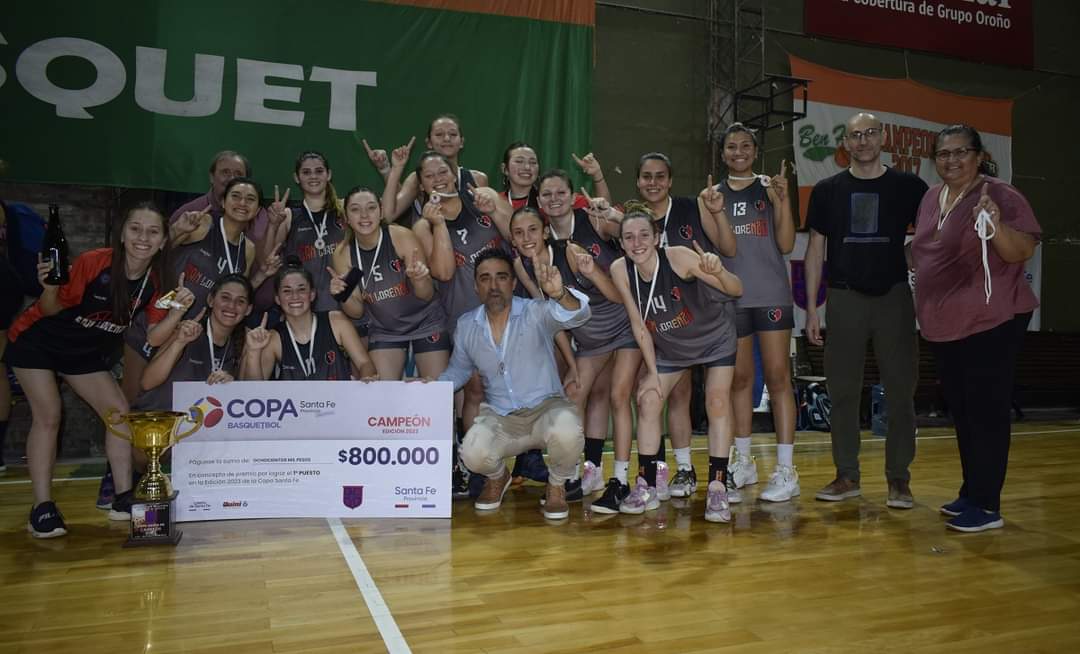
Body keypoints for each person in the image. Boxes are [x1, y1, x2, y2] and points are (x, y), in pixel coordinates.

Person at [4, 203, 188, 537]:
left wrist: (178, 312)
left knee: (118, 413)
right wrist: (49, 287)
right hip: (37, 342)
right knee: (49, 414)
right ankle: (41, 508)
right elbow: (50, 308)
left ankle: (122, 498)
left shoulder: (157, 280)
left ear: (163, 241)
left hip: (83, 353)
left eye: (152, 232)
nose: (143, 238)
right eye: (135, 228)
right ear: (122, 234)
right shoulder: (95, 262)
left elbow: (154, 337)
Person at [911, 124, 1040, 532]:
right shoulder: (931, 197)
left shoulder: (1000, 194)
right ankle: (971, 491)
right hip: (946, 324)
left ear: (979, 156)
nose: (951, 160)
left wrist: (997, 226)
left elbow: (1021, 250)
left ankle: (986, 506)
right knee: (964, 411)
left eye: (960, 152)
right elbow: (926, 250)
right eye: (943, 154)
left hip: (991, 320)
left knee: (986, 412)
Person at [804, 111, 928, 509]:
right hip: (844, 298)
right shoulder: (827, 190)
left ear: (882, 138)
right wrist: (812, 309)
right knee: (842, 391)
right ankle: (847, 475)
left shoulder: (910, 187)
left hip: (894, 298)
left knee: (901, 392)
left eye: (870, 133)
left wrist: (907, 254)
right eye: (855, 135)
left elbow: (932, 235)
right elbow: (815, 250)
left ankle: (899, 479)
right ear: (846, 144)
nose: (863, 141)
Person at [610, 155, 737, 500]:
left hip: (713, 338)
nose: (636, 242)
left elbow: (735, 289)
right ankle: (646, 486)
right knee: (648, 398)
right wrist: (652, 373)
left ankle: (718, 485)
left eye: (643, 235)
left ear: (656, 237)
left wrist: (718, 270)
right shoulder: (620, 269)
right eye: (628, 237)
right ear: (621, 242)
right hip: (673, 346)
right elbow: (638, 326)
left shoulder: (679, 255)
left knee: (717, 401)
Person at [437, 249, 591, 520]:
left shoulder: (535, 311)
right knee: (471, 452)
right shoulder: (466, 325)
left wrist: (559, 295)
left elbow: (579, 315)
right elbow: (458, 370)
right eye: (485, 278)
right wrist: (431, 388)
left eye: (501, 277)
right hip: (501, 418)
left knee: (569, 430)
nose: (493, 285)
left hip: (545, 410)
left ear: (513, 282)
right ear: (475, 286)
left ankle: (557, 484)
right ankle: (498, 476)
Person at [717, 124, 800, 502]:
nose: (739, 152)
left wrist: (782, 201)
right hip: (731, 299)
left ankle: (786, 470)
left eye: (745, 146)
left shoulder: (770, 187)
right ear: (722, 154)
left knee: (779, 378)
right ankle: (744, 461)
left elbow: (786, 243)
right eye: (731, 146)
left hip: (771, 297)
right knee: (739, 381)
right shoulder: (713, 196)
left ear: (755, 150)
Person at [331, 142, 449, 381]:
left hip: (425, 321)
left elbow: (426, 295)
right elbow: (357, 311)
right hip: (385, 329)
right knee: (382, 393)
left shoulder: (401, 237)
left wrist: (420, 279)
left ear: (381, 211)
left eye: (371, 208)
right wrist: (342, 294)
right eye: (355, 210)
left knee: (435, 392)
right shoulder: (343, 253)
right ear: (346, 218)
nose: (365, 215)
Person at [135, 273, 254, 411]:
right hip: (158, 417)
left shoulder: (240, 345)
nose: (231, 306)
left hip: (195, 422)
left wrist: (231, 387)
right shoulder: (187, 330)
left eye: (240, 301)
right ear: (211, 300)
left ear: (248, 309)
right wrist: (179, 343)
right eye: (225, 298)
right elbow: (147, 383)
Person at [241, 262, 377, 381]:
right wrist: (254, 352)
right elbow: (255, 391)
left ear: (312, 294)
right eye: (287, 291)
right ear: (277, 299)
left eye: (301, 289)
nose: (295, 296)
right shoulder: (274, 337)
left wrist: (367, 379)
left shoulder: (336, 321)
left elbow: (365, 364)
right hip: (295, 403)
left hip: (337, 401)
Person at [366, 113, 489, 223]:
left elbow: (488, 220)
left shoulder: (478, 179)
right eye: (439, 134)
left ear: (461, 142)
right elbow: (388, 216)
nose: (447, 138)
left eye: (452, 134)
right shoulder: (416, 179)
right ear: (429, 143)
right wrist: (394, 169)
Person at [264, 151, 347, 313]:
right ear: (297, 177)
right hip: (304, 310)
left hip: (345, 306)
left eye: (319, 171)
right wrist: (273, 226)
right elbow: (268, 260)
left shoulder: (344, 209)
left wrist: (386, 171)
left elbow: (385, 215)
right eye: (306, 172)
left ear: (329, 174)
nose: (313, 176)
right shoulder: (288, 216)